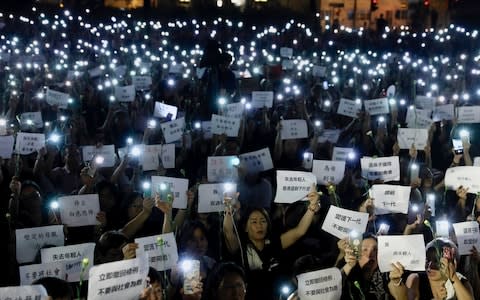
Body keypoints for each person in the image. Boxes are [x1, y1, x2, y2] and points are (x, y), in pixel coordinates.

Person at [223, 185, 320, 300]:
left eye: (263, 221)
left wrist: (312, 207)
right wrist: (228, 209)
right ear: (246, 227)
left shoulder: (275, 243)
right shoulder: (240, 247)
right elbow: (228, 231)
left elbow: (299, 231)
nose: (259, 225)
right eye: (254, 222)